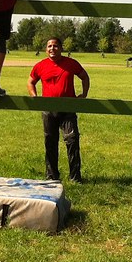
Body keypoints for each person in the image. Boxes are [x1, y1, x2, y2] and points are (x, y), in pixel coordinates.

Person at [28, 37, 91, 182]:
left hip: (68, 109)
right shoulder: (40, 66)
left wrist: (84, 94)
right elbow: (31, 82)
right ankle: (52, 176)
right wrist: (35, 96)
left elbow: (84, 77)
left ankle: (75, 177)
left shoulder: (71, 63)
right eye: (49, 46)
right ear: (46, 49)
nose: (52, 48)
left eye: (55, 46)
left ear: (61, 48)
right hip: (48, 110)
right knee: (50, 141)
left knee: (72, 141)